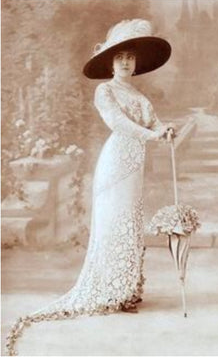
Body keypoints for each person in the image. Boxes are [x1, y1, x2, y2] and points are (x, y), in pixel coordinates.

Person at [5, 19, 174, 355]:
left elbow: (152, 121)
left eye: (130, 56)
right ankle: (109, 291)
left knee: (131, 224)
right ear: (110, 63)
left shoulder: (139, 94)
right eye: (119, 57)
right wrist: (152, 134)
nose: (125, 62)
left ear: (136, 62)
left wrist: (165, 129)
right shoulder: (105, 90)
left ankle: (126, 290)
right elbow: (119, 123)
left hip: (136, 164)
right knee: (114, 223)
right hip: (116, 163)